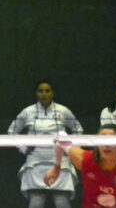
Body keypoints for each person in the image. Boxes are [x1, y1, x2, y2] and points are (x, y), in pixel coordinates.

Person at [8, 80, 84, 208]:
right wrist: (23, 148)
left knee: (61, 200)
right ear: (36, 93)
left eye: (47, 91)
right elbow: (12, 131)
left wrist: (70, 149)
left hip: (60, 161)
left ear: (52, 93)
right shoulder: (27, 112)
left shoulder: (63, 111)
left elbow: (78, 130)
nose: (44, 94)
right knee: (37, 200)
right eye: (40, 91)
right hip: (35, 160)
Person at [45, 124, 116, 208]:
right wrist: (56, 167)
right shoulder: (84, 160)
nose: (106, 144)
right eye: (102, 139)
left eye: (111, 140)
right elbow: (60, 136)